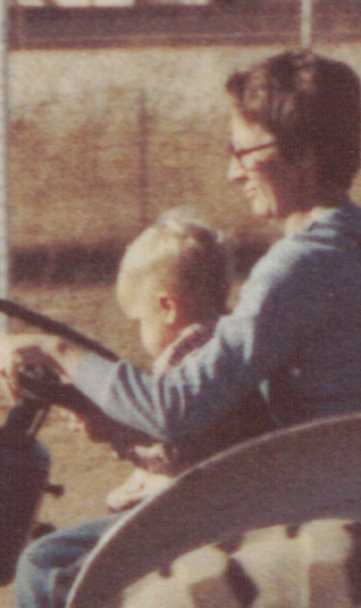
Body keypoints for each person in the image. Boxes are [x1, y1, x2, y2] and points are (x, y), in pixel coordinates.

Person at [0, 49, 361, 608]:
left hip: (307, 511)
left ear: (303, 154)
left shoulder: (301, 264)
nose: (232, 172)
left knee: (50, 565)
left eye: (243, 151)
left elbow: (174, 406)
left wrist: (57, 351)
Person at [90, 209, 264, 514]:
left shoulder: (184, 361)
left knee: (57, 546)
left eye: (139, 322)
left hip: (195, 509)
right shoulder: (226, 346)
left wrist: (117, 438)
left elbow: (173, 454)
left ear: (167, 308)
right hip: (226, 491)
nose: (138, 334)